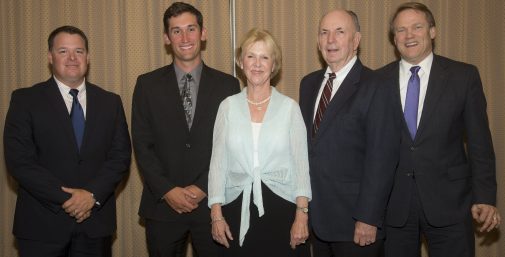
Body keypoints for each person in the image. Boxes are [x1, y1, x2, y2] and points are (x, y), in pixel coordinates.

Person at [377, 2, 501, 257]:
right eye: (401, 30)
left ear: (432, 31)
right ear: (394, 38)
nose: (409, 35)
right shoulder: (376, 81)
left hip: (451, 204)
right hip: (394, 207)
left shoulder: (463, 76)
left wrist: (485, 196)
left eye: (417, 27)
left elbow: (480, 144)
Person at [3, 25, 131, 257]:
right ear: (50, 57)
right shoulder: (25, 100)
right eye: (63, 51)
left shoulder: (110, 102)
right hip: (41, 227)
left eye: (79, 51)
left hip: (95, 227)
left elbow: (120, 157)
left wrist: (91, 196)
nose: (72, 58)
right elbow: (19, 162)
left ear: (88, 57)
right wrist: (70, 200)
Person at [131, 2, 240, 256]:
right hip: (162, 206)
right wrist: (168, 190)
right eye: (176, 31)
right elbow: (142, 144)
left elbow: (232, 144)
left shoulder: (229, 85)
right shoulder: (147, 85)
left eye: (191, 29)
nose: (185, 37)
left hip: (214, 205)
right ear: (167, 38)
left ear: (203, 33)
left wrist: (204, 187)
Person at [298, 9, 400, 257]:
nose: (330, 39)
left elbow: (382, 158)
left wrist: (368, 217)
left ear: (356, 41)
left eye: (339, 32)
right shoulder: (309, 84)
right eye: (324, 32)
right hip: (316, 220)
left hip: (356, 224)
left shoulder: (377, 85)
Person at [207, 28, 311, 257]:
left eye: (265, 57)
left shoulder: (289, 108)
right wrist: (216, 215)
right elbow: (217, 165)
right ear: (240, 62)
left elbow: (301, 167)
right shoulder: (227, 107)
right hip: (234, 208)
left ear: (274, 65)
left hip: (282, 209)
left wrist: (302, 215)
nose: (257, 63)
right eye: (251, 56)